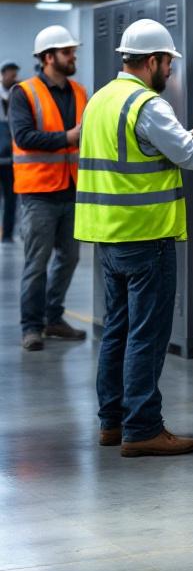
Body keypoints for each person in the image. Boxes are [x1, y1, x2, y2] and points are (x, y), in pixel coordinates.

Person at [75, 19, 193, 458]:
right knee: (146, 335)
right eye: (169, 64)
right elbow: (190, 157)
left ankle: (112, 423)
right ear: (153, 61)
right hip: (147, 237)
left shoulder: (101, 100)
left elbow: (152, 146)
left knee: (118, 330)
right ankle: (143, 428)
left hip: (109, 237)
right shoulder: (147, 104)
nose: (171, 72)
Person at [9, 28, 88, 351]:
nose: (73, 57)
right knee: (36, 263)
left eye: (73, 51)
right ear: (48, 57)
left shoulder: (81, 92)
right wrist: (67, 138)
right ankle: (31, 327)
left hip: (72, 188)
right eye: (67, 52)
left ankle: (53, 317)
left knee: (69, 258)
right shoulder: (23, 93)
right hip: (38, 192)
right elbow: (24, 137)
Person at [0, 60, 20, 243]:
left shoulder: (16, 96)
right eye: (12, 75)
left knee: (11, 201)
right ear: (3, 74)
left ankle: (7, 235)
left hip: (11, 159)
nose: (15, 79)